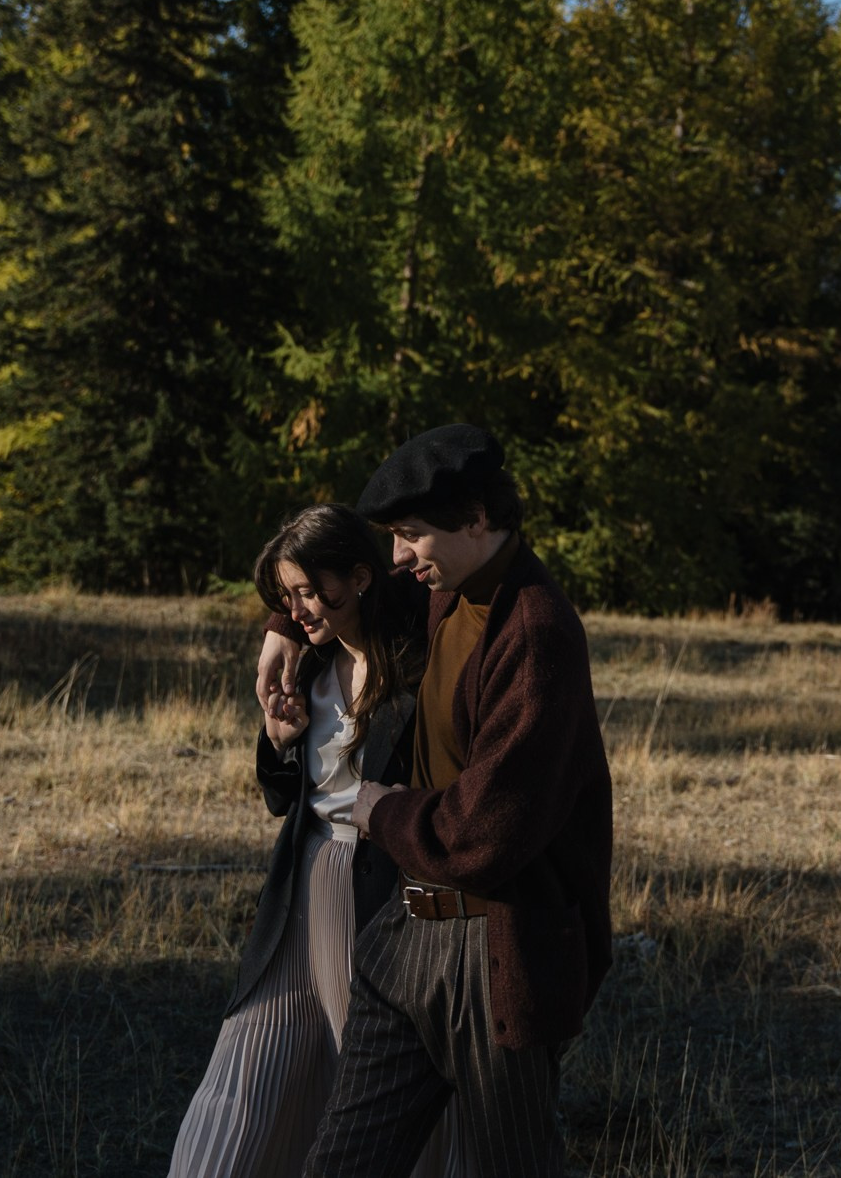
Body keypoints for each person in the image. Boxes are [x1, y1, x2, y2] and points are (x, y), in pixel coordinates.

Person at [258, 424, 612, 1178]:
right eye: (393, 535)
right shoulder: (440, 589)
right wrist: (283, 626)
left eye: (411, 534)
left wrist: (378, 809)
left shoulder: (537, 631)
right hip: (404, 936)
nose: (397, 556)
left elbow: (487, 831)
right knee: (341, 1164)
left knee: (511, 1168)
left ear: (477, 519)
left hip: (495, 951)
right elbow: (333, 583)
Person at [169, 505, 456, 1178]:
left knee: (360, 1082)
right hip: (298, 894)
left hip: (377, 896)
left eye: (305, 592)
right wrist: (279, 740)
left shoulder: (420, 670)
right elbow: (282, 796)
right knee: (241, 1082)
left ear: (360, 577)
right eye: (284, 597)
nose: (295, 610)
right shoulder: (309, 667)